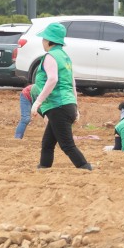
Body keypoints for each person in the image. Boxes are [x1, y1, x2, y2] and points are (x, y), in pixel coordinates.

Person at [29, 22, 93, 170]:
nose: (43, 42)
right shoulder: (65, 57)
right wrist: (75, 107)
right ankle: (43, 167)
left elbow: (53, 79)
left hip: (58, 107)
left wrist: (37, 102)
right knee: (47, 143)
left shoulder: (50, 56)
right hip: (66, 105)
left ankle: (85, 167)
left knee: (67, 145)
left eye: (44, 38)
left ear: (50, 40)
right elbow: (72, 84)